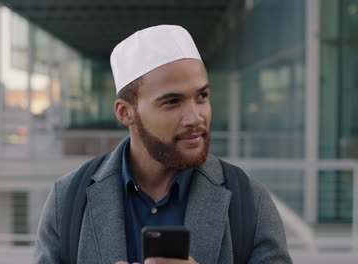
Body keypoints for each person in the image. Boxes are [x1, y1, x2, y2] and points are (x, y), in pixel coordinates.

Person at [35, 25, 292, 264]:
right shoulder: (67, 199)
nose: (195, 118)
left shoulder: (249, 200)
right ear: (126, 112)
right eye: (172, 102)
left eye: (202, 96)